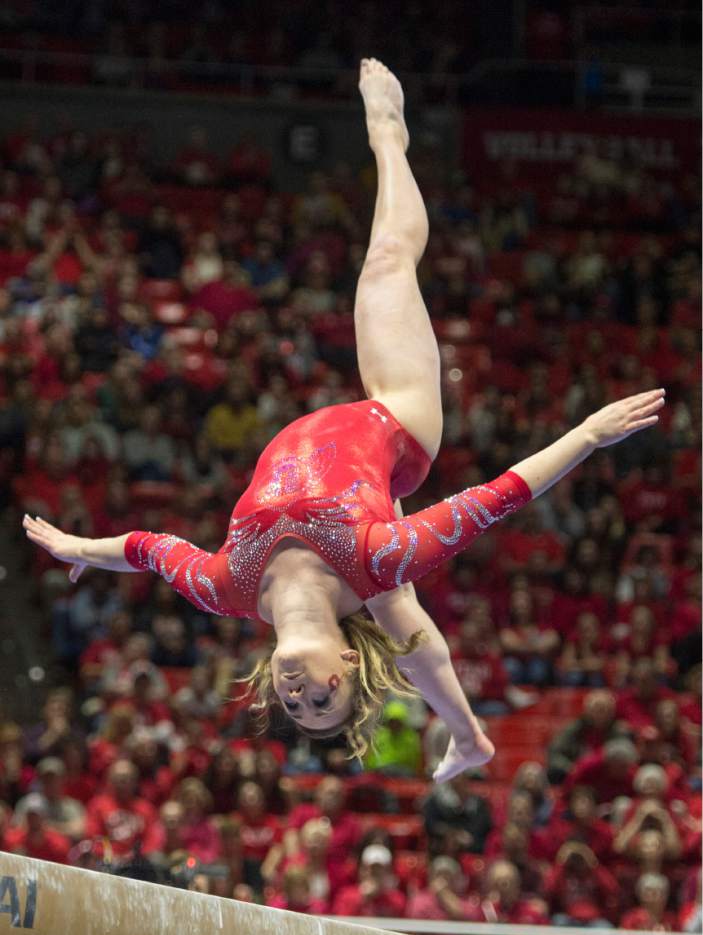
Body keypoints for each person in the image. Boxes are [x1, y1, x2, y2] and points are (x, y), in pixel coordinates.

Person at [23, 59, 666, 781]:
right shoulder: (379, 557)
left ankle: (467, 736)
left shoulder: (227, 587)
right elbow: (500, 497)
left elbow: (144, 546)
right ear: (348, 661)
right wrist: (586, 435)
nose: (303, 696)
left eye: (296, 707)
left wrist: (80, 546)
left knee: (401, 615)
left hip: (339, 470)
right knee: (388, 259)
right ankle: (388, 134)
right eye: (326, 698)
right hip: (394, 423)